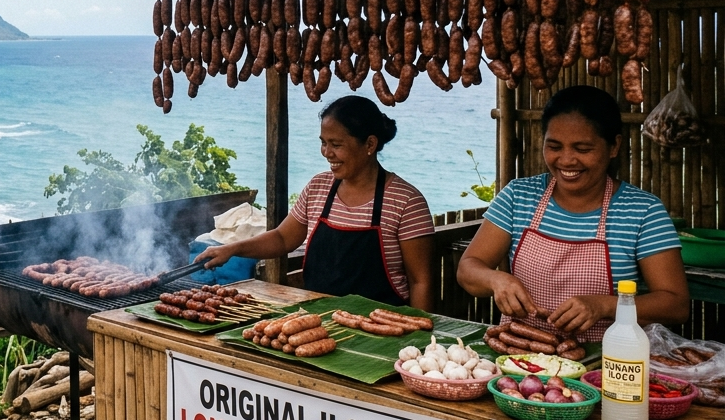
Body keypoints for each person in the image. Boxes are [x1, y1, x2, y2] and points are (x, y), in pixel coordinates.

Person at [457, 85, 689, 340]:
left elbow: (676, 305)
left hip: (605, 364)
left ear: (614, 146)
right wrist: (496, 280)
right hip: (521, 354)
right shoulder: (518, 196)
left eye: (583, 149)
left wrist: (603, 306)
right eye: (554, 146)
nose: (566, 160)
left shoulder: (643, 211)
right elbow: (468, 269)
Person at [197, 96, 436, 309]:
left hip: (382, 328)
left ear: (370, 145)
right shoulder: (318, 187)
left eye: (336, 144)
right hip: (318, 320)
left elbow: (420, 281)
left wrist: (418, 337)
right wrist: (232, 249)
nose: (326, 152)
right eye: (323, 142)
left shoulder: (406, 201)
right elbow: (282, 238)